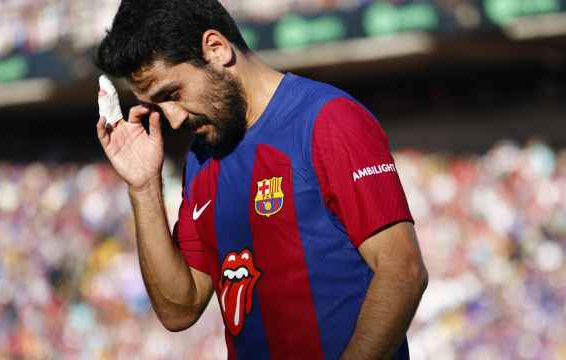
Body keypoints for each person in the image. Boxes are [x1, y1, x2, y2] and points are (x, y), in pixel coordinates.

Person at [94, 1, 428, 359]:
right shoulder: (201, 157)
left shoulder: (328, 120)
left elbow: (402, 271)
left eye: (172, 95)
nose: (173, 119)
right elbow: (180, 308)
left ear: (216, 49)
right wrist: (143, 188)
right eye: (158, 106)